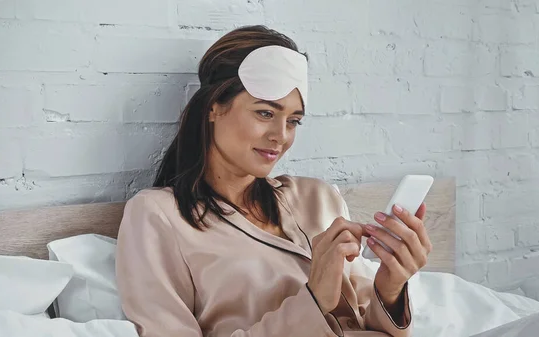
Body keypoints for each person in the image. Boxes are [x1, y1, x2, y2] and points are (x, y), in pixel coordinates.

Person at [115, 25, 432, 337]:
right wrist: (313, 300)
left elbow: (365, 321)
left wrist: (389, 289)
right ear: (213, 107)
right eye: (265, 113)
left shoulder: (320, 198)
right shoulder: (158, 216)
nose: (280, 136)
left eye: (293, 121)